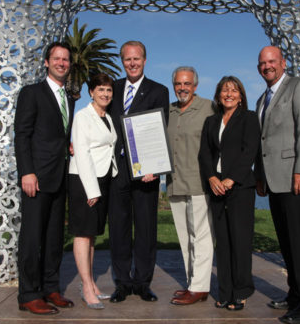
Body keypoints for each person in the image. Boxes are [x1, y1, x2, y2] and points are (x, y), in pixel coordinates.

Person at [255, 46, 300, 324]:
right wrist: (259, 175)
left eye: (272, 61)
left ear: (283, 63)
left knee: (299, 242)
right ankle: (295, 295)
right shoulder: (263, 99)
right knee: (286, 242)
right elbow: (263, 143)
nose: (267, 66)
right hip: (274, 181)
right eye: (262, 63)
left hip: (297, 178)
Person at [14, 42, 75, 315]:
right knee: (31, 238)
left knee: (54, 239)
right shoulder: (32, 93)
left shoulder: (69, 99)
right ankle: (29, 293)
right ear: (47, 62)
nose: (62, 63)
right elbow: (22, 135)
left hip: (60, 177)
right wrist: (27, 171)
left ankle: (51, 287)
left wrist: (69, 145)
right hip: (36, 178)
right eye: (57, 59)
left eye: (66, 59)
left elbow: (59, 134)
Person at [108, 40, 169, 303]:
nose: (132, 63)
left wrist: (155, 167)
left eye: (137, 58)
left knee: (145, 229)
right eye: (127, 59)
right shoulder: (113, 88)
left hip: (146, 172)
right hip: (117, 169)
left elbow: (161, 128)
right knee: (119, 228)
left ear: (145, 60)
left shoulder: (159, 90)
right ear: (122, 61)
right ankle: (122, 283)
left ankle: (143, 283)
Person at [198, 76, 259, 311]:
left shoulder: (249, 118)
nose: (229, 94)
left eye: (234, 90)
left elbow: (249, 151)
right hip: (216, 188)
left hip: (240, 188)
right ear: (218, 95)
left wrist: (231, 179)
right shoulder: (211, 122)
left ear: (241, 95)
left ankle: (241, 292)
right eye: (225, 90)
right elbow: (204, 153)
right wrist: (212, 177)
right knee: (222, 243)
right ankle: (225, 292)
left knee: (240, 242)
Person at [68, 73, 118, 310]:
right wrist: (91, 190)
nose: (105, 94)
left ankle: (91, 284)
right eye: (100, 90)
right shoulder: (82, 116)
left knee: (92, 234)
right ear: (91, 92)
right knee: (82, 233)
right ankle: (86, 287)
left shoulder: (107, 116)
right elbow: (81, 151)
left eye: (108, 90)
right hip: (84, 181)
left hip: (104, 177)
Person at [166, 66, 215, 305]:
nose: (182, 88)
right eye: (178, 84)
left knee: (201, 237)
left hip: (199, 183)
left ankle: (200, 287)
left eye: (186, 84)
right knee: (185, 239)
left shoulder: (209, 108)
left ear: (195, 86)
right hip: (174, 183)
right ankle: (192, 283)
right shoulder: (169, 111)